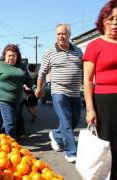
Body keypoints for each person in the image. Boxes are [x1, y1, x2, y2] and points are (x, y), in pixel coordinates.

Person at [83, 0, 117, 179]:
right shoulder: (95, 45)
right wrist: (90, 109)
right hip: (106, 102)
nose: (115, 22)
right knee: (111, 148)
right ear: (103, 21)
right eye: (110, 18)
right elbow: (87, 80)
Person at [35, 24, 83, 163]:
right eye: (58, 34)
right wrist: (39, 88)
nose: (61, 36)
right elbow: (42, 72)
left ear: (69, 35)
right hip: (59, 91)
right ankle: (71, 152)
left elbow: (84, 69)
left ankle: (56, 135)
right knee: (66, 122)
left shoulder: (78, 51)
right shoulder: (50, 52)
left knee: (74, 121)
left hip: (75, 92)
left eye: (63, 33)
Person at [0, 44, 36, 139]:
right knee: (10, 122)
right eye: (9, 55)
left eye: (14, 56)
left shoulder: (21, 66)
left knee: (11, 122)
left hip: (18, 99)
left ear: (17, 56)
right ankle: (11, 145)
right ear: (5, 55)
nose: (11, 58)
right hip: (3, 98)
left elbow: (28, 80)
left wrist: (35, 88)